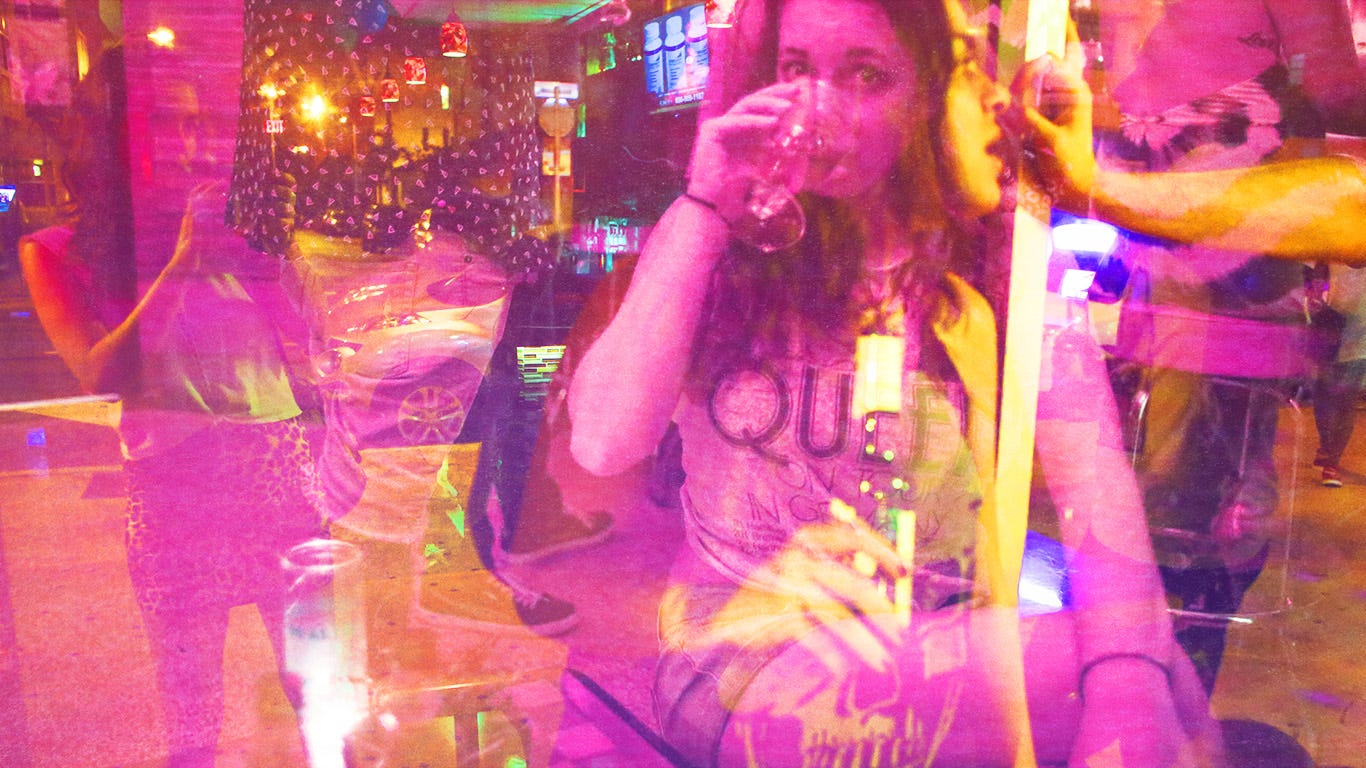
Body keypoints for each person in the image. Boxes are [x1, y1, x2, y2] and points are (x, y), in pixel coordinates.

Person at [568, 0, 1219, 764]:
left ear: (924, 97)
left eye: (867, 75)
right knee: (1134, 682)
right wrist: (705, 202)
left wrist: (1127, 687)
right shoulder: (725, 242)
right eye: (797, 69)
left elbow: (1096, 485)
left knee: (1145, 674)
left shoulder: (992, 258)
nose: (821, 106)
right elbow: (603, 442)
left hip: (931, 636)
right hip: (743, 646)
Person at [19, 48, 322, 768]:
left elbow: (310, 344)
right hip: (175, 495)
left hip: (278, 474)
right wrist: (184, 260)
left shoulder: (231, 230)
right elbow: (102, 373)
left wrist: (274, 255)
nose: (189, 142)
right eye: (165, 123)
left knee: (316, 687)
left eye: (195, 123)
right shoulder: (58, 250)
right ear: (114, 136)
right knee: (192, 714)